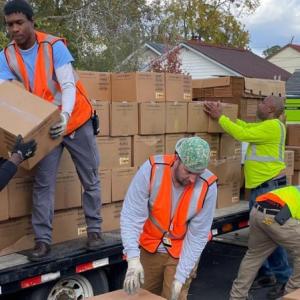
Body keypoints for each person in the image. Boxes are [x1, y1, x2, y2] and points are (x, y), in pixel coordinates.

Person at [1, 0, 102, 261]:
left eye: (19, 22)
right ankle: (43, 241)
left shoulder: (53, 46)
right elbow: (7, 95)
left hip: (75, 118)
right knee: (43, 183)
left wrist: (66, 117)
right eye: (9, 24)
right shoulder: (6, 56)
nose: (14, 29)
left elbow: (67, 85)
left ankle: (94, 231)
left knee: (89, 177)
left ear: (33, 22)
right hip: (45, 125)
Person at [204, 96, 292, 299]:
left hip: (268, 190)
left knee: (270, 235)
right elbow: (245, 127)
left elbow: (242, 133)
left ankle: (284, 278)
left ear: (270, 108)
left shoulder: (272, 126)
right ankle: (266, 274)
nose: (258, 106)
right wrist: (225, 115)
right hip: (262, 189)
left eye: (262, 103)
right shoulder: (267, 125)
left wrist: (221, 118)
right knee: (259, 237)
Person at [120, 137, 218, 300]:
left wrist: (181, 277)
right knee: (143, 295)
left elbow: (198, 235)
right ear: (176, 159)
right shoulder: (152, 170)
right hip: (151, 246)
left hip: (182, 251)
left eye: (198, 173)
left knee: (174, 295)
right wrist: (132, 259)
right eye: (188, 171)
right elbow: (131, 215)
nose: (193, 179)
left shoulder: (208, 186)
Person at [230, 185, 300, 300]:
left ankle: (237, 297)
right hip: (277, 217)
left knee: (253, 256)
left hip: (257, 211)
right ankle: (292, 295)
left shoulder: (295, 189)